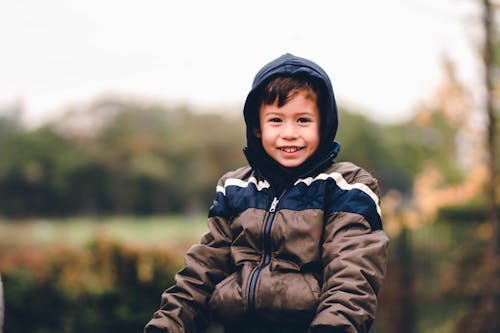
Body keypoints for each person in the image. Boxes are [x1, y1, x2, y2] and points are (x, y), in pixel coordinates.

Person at [144, 53, 389, 333]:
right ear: (257, 128)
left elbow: (352, 274)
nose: (289, 133)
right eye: (276, 120)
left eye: (303, 120)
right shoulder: (235, 188)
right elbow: (203, 270)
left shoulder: (347, 185)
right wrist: (167, 324)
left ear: (324, 124)